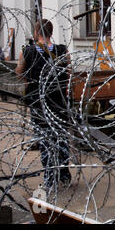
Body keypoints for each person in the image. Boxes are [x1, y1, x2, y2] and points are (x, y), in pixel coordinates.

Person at [16, 19, 72, 190]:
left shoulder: (28, 52)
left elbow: (19, 73)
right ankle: (63, 175)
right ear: (51, 32)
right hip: (59, 101)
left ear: (36, 32)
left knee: (45, 139)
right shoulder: (62, 50)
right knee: (61, 137)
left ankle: (50, 177)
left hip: (39, 102)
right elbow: (68, 71)